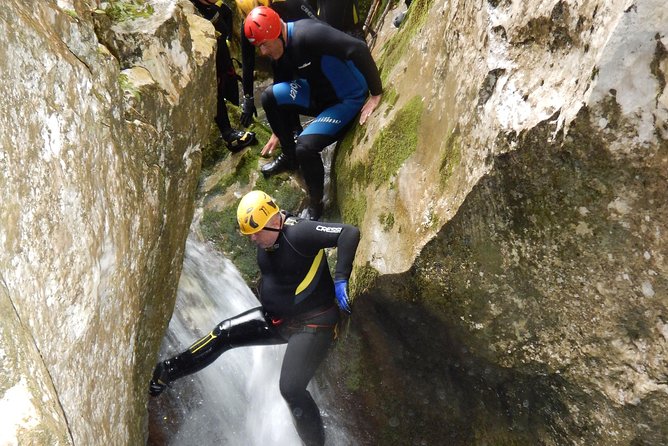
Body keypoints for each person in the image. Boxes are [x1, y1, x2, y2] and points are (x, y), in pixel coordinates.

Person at [149, 190, 360, 446]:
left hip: (313, 323)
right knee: (223, 333)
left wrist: (341, 278)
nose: (254, 239)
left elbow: (348, 233)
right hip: (277, 320)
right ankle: (166, 373)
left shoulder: (299, 233)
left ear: (274, 222)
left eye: (257, 232)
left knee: (290, 389)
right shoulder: (268, 237)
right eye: (249, 234)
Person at [244, 7, 382, 220]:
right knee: (268, 97)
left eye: (264, 45)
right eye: (258, 47)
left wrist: (376, 94)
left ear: (278, 32)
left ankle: (316, 204)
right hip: (318, 93)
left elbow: (358, 48)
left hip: (347, 98)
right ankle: (290, 158)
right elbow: (282, 87)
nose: (262, 52)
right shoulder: (279, 49)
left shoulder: (309, 34)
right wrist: (278, 131)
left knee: (306, 147)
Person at [236, 0, 319, 128]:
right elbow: (247, 61)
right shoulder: (248, 23)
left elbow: (319, 27)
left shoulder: (288, 5)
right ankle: (294, 129)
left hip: (305, 47)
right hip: (282, 59)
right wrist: (248, 98)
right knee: (278, 87)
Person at [191, 0, 257, 152]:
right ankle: (227, 134)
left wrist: (226, 40)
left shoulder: (217, 7)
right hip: (210, 66)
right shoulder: (191, 9)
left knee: (230, 82)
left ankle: (236, 125)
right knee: (216, 88)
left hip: (225, 61)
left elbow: (226, 14)